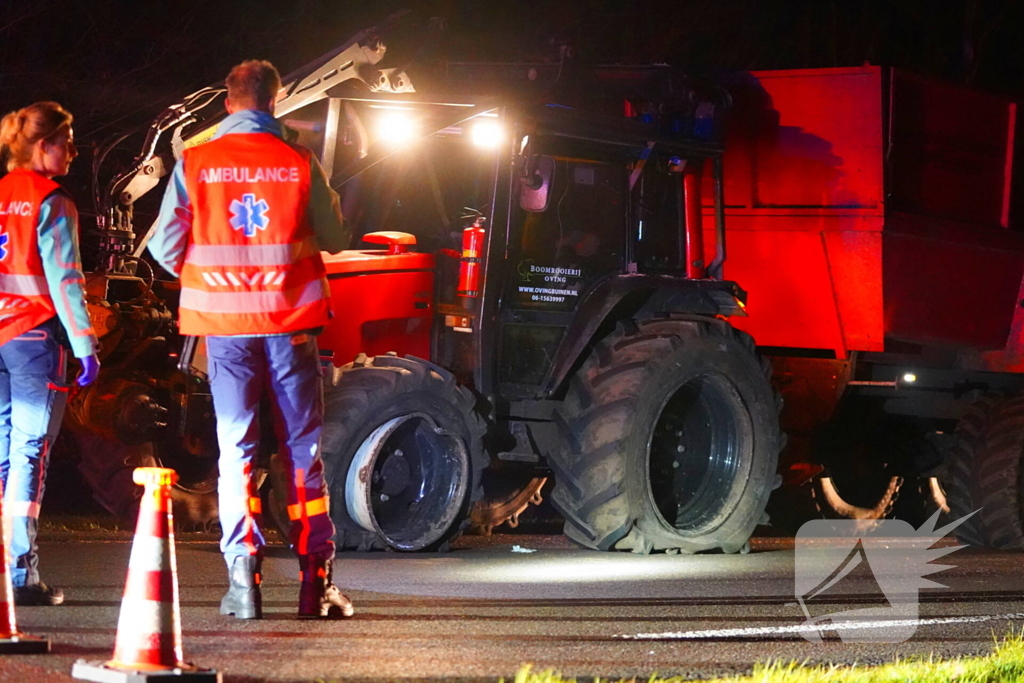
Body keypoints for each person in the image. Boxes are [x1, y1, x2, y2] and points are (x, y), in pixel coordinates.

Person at [148, 60, 352, 620]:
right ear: (274, 100)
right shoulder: (299, 160)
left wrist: (214, 273)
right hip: (289, 325)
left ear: (228, 102)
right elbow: (336, 235)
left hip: (226, 330)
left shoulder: (197, 161)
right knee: (302, 451)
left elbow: (164, 247)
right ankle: (316, 584)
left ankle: (243, 583)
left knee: (235, 450)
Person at [0, 102, 101, 605]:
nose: (74, 152)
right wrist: (86, 347)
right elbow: (66, 281)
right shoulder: (51, 201)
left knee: (3, 454)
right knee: (29, 453)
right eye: (68, 142)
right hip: (34, 340)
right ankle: (19, 573)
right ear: (44, 146)